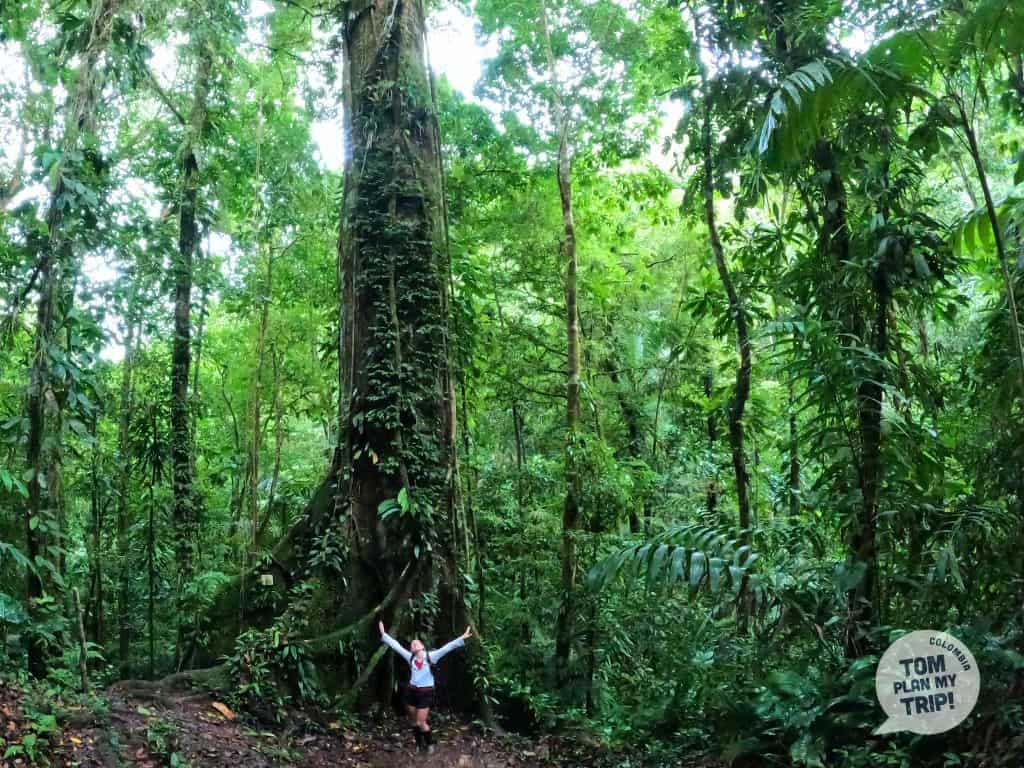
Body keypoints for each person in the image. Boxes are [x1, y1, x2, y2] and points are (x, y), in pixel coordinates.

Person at [379, 620, 472, 753]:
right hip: (412, 692)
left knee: (420, 722)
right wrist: (384, 634)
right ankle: (418, 744)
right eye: (412, 644)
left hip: (426, 693)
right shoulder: (410, 657)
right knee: (413, 721)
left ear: (422, 646)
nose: (413, 644)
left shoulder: (431, 657)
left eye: (416, 642)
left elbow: (447, 648)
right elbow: (396, 646)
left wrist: (462, 638)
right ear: (411, 649)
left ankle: (429, 743)